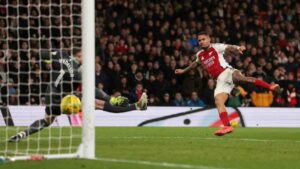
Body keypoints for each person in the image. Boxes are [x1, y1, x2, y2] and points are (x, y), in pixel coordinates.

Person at [9, 50, 148, 142]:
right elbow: (93, 90)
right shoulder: (77, 73)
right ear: (80, 57)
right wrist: (111, 99)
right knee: (98, 104)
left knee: (47, 121)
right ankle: (136, 106)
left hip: (50, 96)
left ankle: (23, 134)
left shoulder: (60, 55)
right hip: (63, 101)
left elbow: (41, 55)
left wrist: (36, 64)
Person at [175, 31, 279, 136]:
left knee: (243, 79)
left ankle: (270, 86)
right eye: (199, 40)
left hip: (227, 72)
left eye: (203, 39)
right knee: (218, 101)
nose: (201, 42)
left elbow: (229, 47)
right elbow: (195, 63)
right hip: (220, 81)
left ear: (209, 39)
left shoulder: (216, 47)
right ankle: (227, 126)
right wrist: (184, 70)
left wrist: (238, 48)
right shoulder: (200, 54)